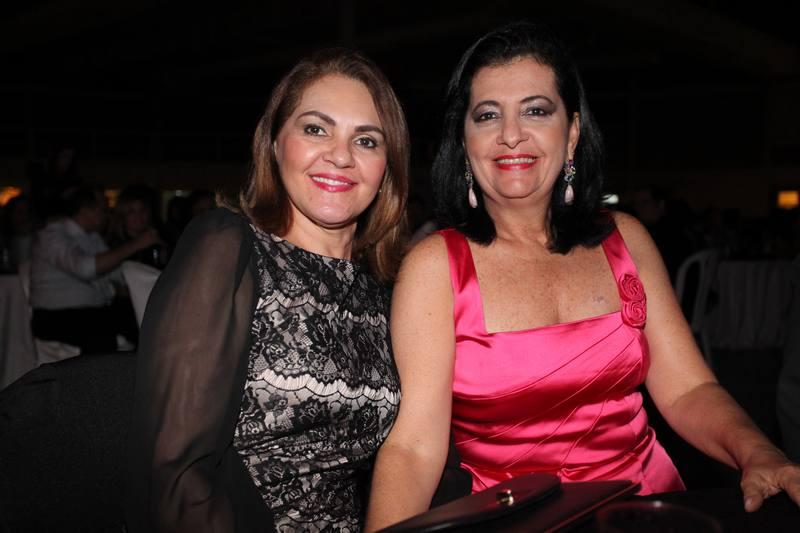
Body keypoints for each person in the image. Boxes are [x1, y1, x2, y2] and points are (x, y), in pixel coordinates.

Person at [365, 22, 800, 531]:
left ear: (571, 133)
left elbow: (688, 390)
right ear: (464, 142)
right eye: (487, 115)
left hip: (644, 512)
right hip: (515, 523)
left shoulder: (626, 238)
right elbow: (414, 448)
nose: (511, 134)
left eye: (535, 110)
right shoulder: (434, 267)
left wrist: (757, 451)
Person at [125, 48, 408, 532]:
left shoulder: (384, 290)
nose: (341, 156)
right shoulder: (226, 247)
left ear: (387, 167)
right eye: (315, 129)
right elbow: (177, 476)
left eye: (366, 140)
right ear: (274, 144)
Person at [29, 184, 159, 353]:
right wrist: (136, 244)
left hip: (89, 313)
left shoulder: (92, 238)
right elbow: (84, 269)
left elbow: (116, 273)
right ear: (85, 210)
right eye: (103, 209)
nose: (108, 215)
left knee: (141, 319)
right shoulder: (52, 235)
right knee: (103, 332)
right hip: (53, 317)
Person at [107, 184, 168, 268]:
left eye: (142, 210)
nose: (139, 216)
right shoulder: (113, 244)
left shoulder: (155, 238)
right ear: (122, 215)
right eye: (131, 211)